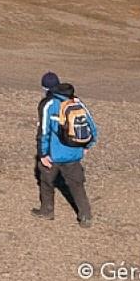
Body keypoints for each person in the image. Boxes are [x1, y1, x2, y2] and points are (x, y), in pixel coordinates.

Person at [34, 74, 97, 227]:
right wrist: (88, 145)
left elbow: (44, 132)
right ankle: (85, 216)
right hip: (74, 152)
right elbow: (91, 126)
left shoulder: (48, 104)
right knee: (77, 186)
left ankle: (47, 211)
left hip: (54, 154)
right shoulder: (76, 101)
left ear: (45, 88)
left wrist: (43, 154)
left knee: (46, 181)